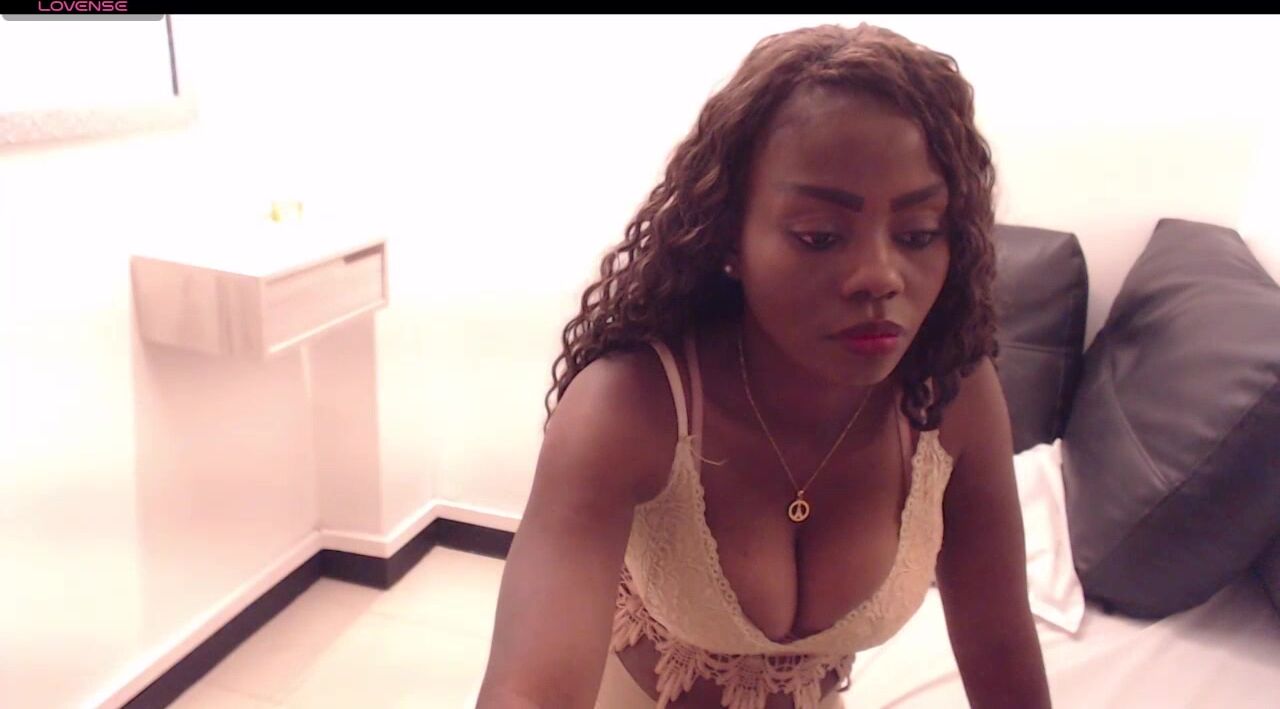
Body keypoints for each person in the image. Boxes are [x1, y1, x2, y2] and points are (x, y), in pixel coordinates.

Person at [476, 22, 1051, 709]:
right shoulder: (631, 404)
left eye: (919, 233)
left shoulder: (952, 396)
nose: (880, 275)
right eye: (819, 236)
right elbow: (528, 690)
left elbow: (999, 645)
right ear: (729, 239)